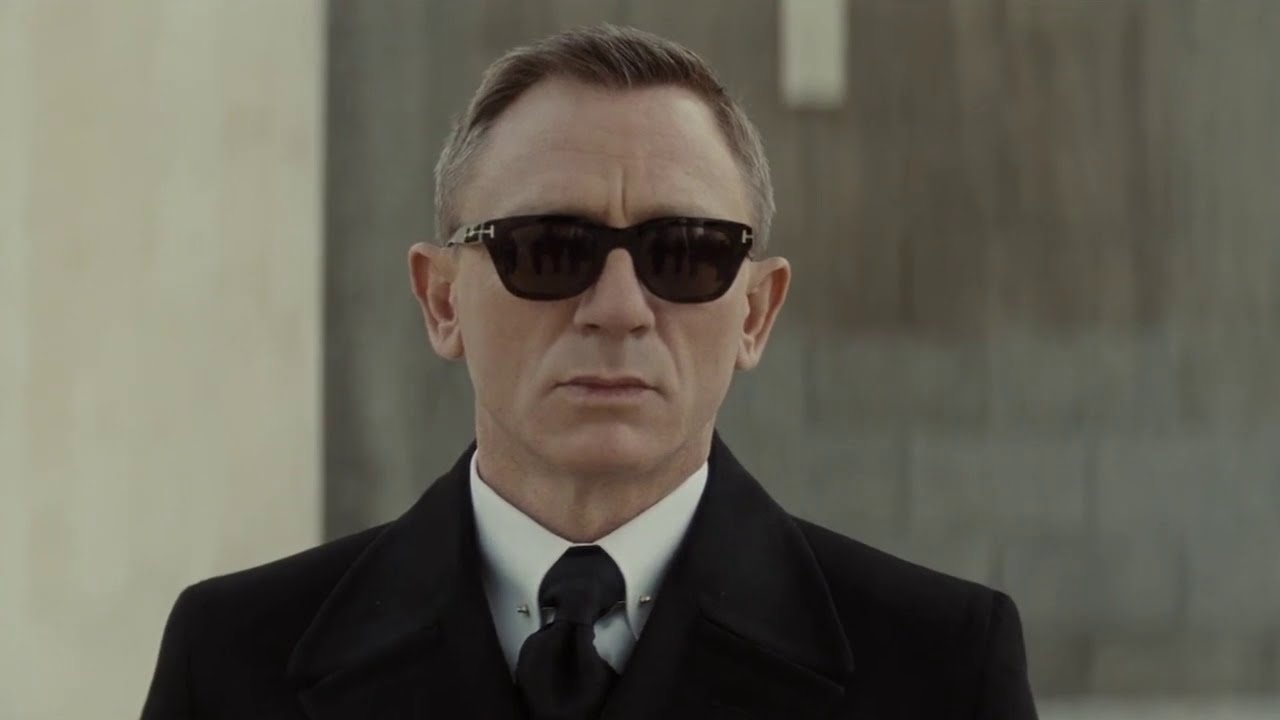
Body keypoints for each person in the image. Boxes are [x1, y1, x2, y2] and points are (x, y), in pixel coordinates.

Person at [141, 24, 1038, 720]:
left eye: (684, 252)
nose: (618, 307)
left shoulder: (941, 670)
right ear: (442, 300)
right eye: (548, 248)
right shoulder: (232, 662)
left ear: (756, 313)